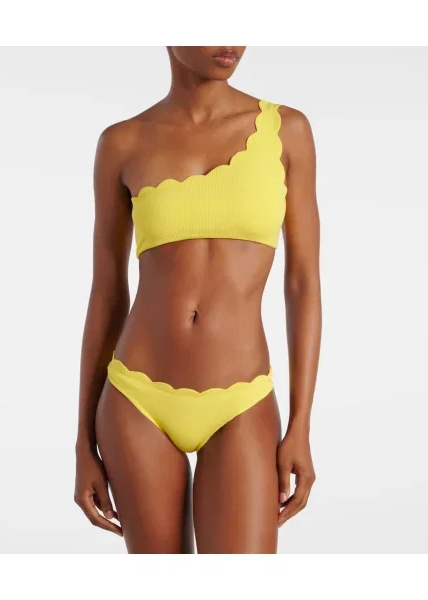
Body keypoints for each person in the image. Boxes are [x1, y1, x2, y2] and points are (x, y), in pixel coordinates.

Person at [74, 46, 321, 554]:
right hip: (136, 398)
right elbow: (107, 292)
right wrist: (82, 440)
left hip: (242, 398)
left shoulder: (287, 131)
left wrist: (301, 423)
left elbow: (303, 283)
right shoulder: (122, 142)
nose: (230, 42)